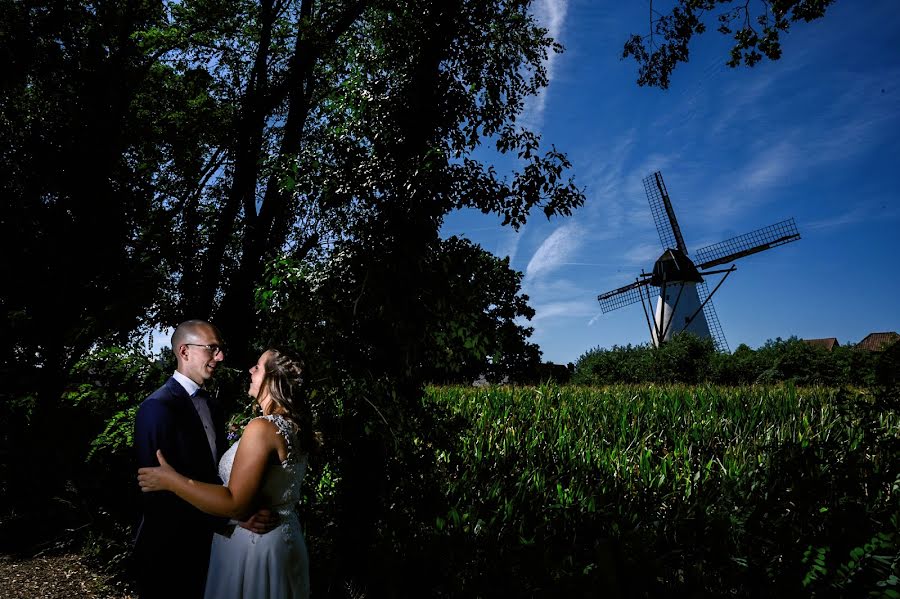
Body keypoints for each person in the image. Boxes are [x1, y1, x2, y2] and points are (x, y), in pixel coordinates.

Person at [138, 347, 316, 599]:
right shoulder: (292, 426)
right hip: (281, 539)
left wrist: (171, 480)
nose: (251, 370)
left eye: (257, 366)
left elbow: (235, 505)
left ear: (273, 379)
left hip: (255, 547)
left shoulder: (262, 428)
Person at [133, 320, 275, 598]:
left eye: (220, 349)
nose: (220, 357)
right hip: (168, 552)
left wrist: (240, 510)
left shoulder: (213, 406)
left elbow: (217, 475)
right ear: (184, 351)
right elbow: (155, 493)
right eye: (212, 349)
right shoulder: (156, 407)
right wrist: (229, 520)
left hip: (212, 550)